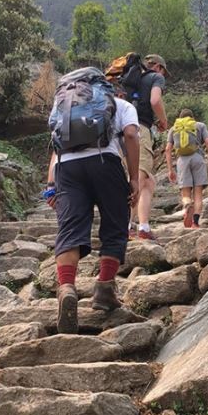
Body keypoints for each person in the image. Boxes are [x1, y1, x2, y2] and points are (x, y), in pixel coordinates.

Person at [47, 97, 141, 334]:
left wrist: (50, 184)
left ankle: (67, 287)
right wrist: (134, 178)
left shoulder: (64, 104)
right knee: (115, 222)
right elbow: (130, 135)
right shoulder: (120, 104)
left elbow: (56, 143)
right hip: (104, 161)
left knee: (69, 227)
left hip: (66, 167)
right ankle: (104, 290)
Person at [129, 54, 169, 241]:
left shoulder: (131, 80)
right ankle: (128, 226)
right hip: (139, 130)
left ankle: (142, 225)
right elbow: (155, 101)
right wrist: (163, 120)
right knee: (139, 177)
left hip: (120, 132)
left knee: (149, 181)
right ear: (159, 67)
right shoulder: (156, 77)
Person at [165, 109, 208, 228]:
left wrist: (170, 169)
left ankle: (187, 205)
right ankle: (195, 222)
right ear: (192, 118)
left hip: (182, 161)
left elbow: (168, 149)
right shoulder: (200, 125)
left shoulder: (174, 128)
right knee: (198, 193)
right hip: (198, 159)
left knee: (185, 194)